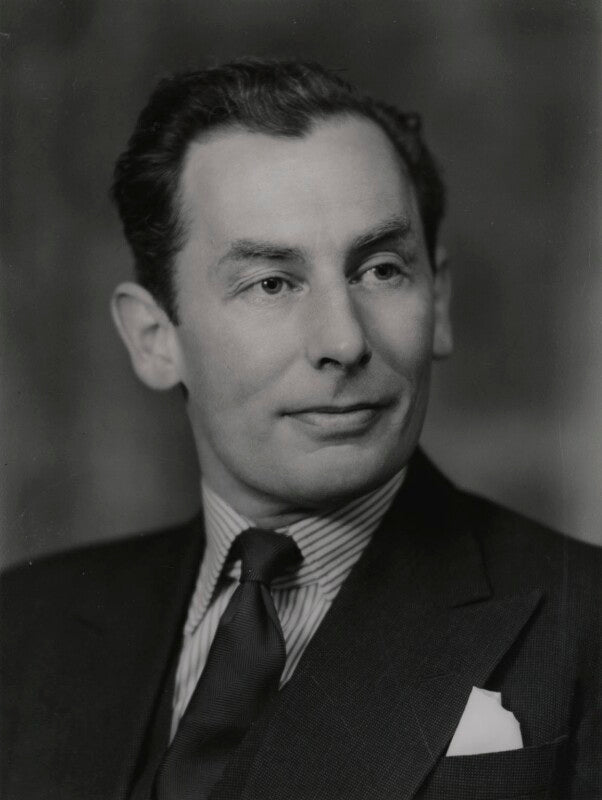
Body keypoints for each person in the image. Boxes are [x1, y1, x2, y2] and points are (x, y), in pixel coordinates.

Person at [1, 59, 600, 800]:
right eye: (272, 283)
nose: (343, 342)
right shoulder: (23, 626)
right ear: (154, 339)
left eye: (381, 270)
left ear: (439, 302)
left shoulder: (585, 622)